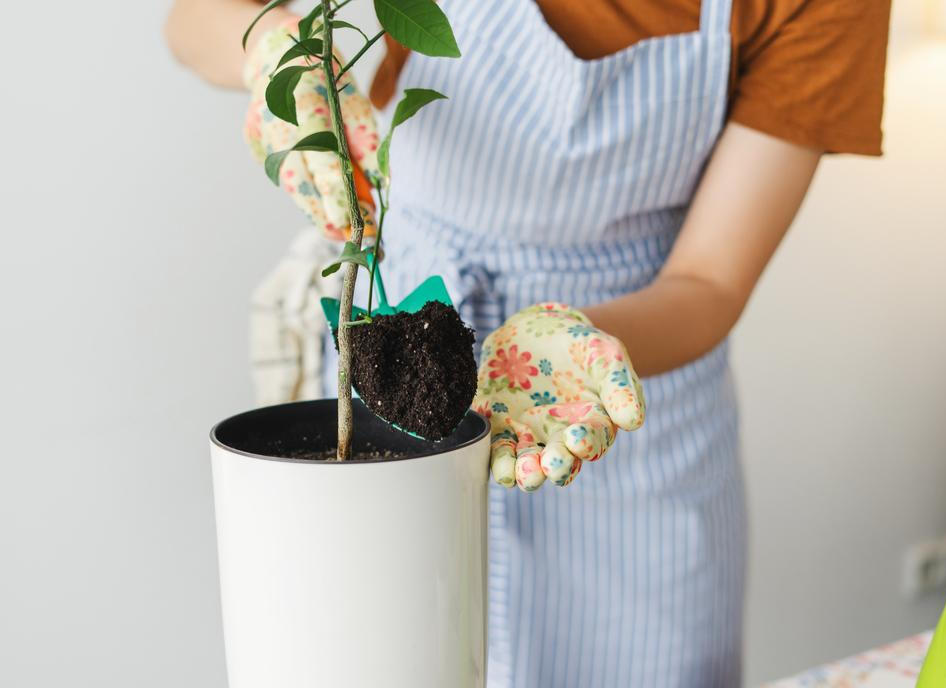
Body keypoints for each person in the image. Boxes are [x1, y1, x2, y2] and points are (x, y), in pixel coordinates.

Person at [167, 0, 890, 684]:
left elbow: (709, 281)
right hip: (400, 344)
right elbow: (194, 22)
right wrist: (272, 50)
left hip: (610, 398)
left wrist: (588, 340)